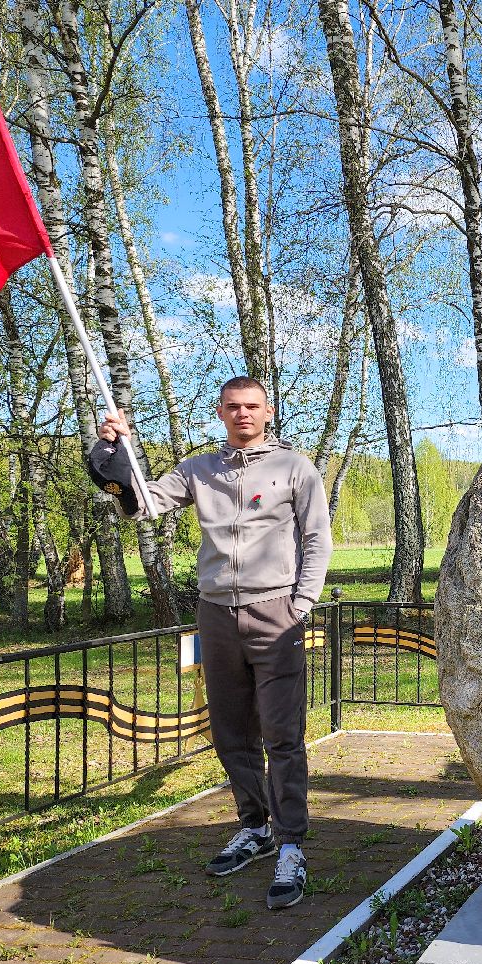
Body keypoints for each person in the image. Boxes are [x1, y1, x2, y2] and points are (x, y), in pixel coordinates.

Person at [90, 376, 331, 910]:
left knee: (282, 734)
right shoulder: (199, 469)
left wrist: (302, 604)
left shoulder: (295, 468)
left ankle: (291, 843)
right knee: (230, 733)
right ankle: (255, 827)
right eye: (233, 406)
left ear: (268, 411)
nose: (243, 414)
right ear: (220, 412)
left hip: (277, 614)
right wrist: (111, 450)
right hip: (216, 615)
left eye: (252, 406)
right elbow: (142, 504)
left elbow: (317, 537)